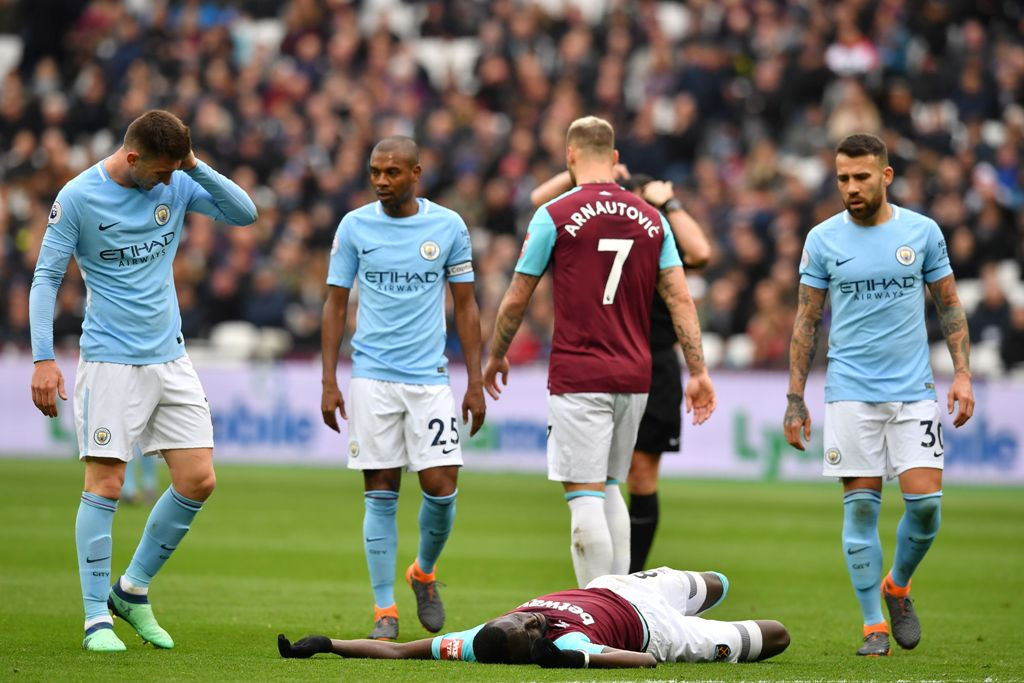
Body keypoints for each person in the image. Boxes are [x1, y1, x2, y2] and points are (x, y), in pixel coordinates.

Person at [28, 109, 259, 652]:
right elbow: (45, 277)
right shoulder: (79, 198)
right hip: (110, 361)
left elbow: (244, 214)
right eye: (159, 171)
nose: (166, 180)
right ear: (132, 158)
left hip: (170, 359)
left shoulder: (176, 180)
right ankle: (94, 619)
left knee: (199, 478)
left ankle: (130, 590)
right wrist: (43, 358)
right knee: (105, 484)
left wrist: (192, 164)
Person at [482, 116, 715, 588]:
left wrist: (497, 353)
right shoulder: (652, 219)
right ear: (613, 158)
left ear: (569, 157)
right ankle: (624, 607)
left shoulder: (555, 214)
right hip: (637, 373)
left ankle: (596, 613)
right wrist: (699, 371)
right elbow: (680, 298)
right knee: (611, 487)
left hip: (579, 372)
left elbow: (517, 295)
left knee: (584, 494)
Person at [784, 133, 974, 657]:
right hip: (850, 393)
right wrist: (795, 397)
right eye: (843, 178)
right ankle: (873, 626)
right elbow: (806, 321)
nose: (851, 187)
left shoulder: (922, 232)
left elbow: (950, 305)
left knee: (927, 508)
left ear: (885, 176)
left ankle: (897, 586)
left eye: (861, 177)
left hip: (912, 392)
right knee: (861, 512)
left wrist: (962, 374)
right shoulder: (822, 239)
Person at [321, 136, 486, 642]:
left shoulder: (448, 226)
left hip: (429, 379)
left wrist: (474, 380)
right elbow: (334, 303)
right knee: (381, 493)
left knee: (441, 486)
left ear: (417, 172)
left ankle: (424, 572)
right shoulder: (354, 226)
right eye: (374, 171)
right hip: (371, 376)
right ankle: (384, 610)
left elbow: (466, 305)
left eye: (392, 172)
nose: (380, 181)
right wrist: (329, 379)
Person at [530, 169, 711, 573]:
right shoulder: (601, 217)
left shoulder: (654, 228)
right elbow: (538, 198)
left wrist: (670, 203)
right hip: (607, 358)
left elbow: (700, 253)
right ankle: (617, 581)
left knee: (640, 473)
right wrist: (581, 168)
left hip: (655, 358)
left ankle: (632, 576)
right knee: (608, 478)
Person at [277, 567, 790, 667]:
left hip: (616, 586)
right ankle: (716, 633)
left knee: (717, 581)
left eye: (519, 620)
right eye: (527, 632)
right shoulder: (565, 650)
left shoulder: (476, 640)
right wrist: (574, 660)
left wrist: (328, 644)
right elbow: (642, 662)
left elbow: (395, 649)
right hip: (662, 630)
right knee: (776, 636)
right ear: (529, 652)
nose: (530, 621)